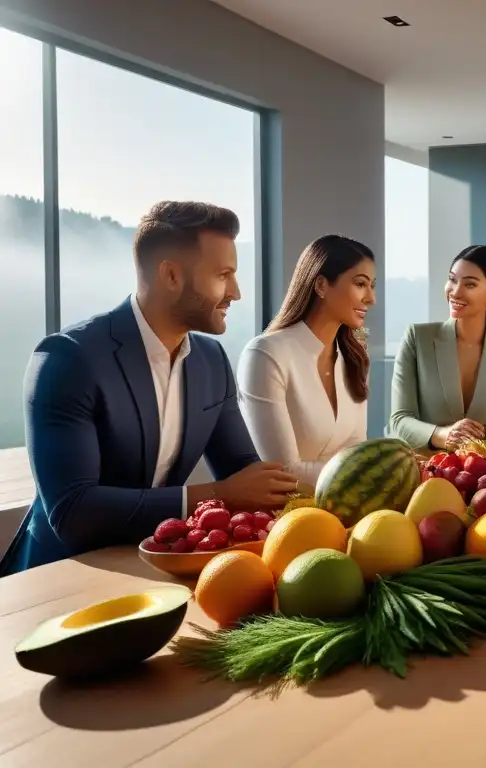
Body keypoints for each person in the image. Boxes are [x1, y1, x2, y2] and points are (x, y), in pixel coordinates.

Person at [0, 201, 298, 576]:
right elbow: (73, 511)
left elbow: (244, 473)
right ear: (171, 276)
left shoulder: (210, 360)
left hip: (155, 569)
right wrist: (216, 495)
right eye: (223, 275)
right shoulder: (68, 359)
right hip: (59, 577)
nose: (235, 292)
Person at [237, 235, 375, 494]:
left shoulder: (354, 360)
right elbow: (283, 471)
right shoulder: (265, 354)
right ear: (321, 285)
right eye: (360, 284)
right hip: (280, 518)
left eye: (372, 286)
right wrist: (370, 473)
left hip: (343, 511)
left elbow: (356, 451)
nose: (371, 298)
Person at [389, 244, 486, 450]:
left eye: (469, 285)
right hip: (422, 468)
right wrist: (442, 434)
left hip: (479, 471)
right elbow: (399, 420)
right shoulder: (417, 338)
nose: (455, 292)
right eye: (452, 279)